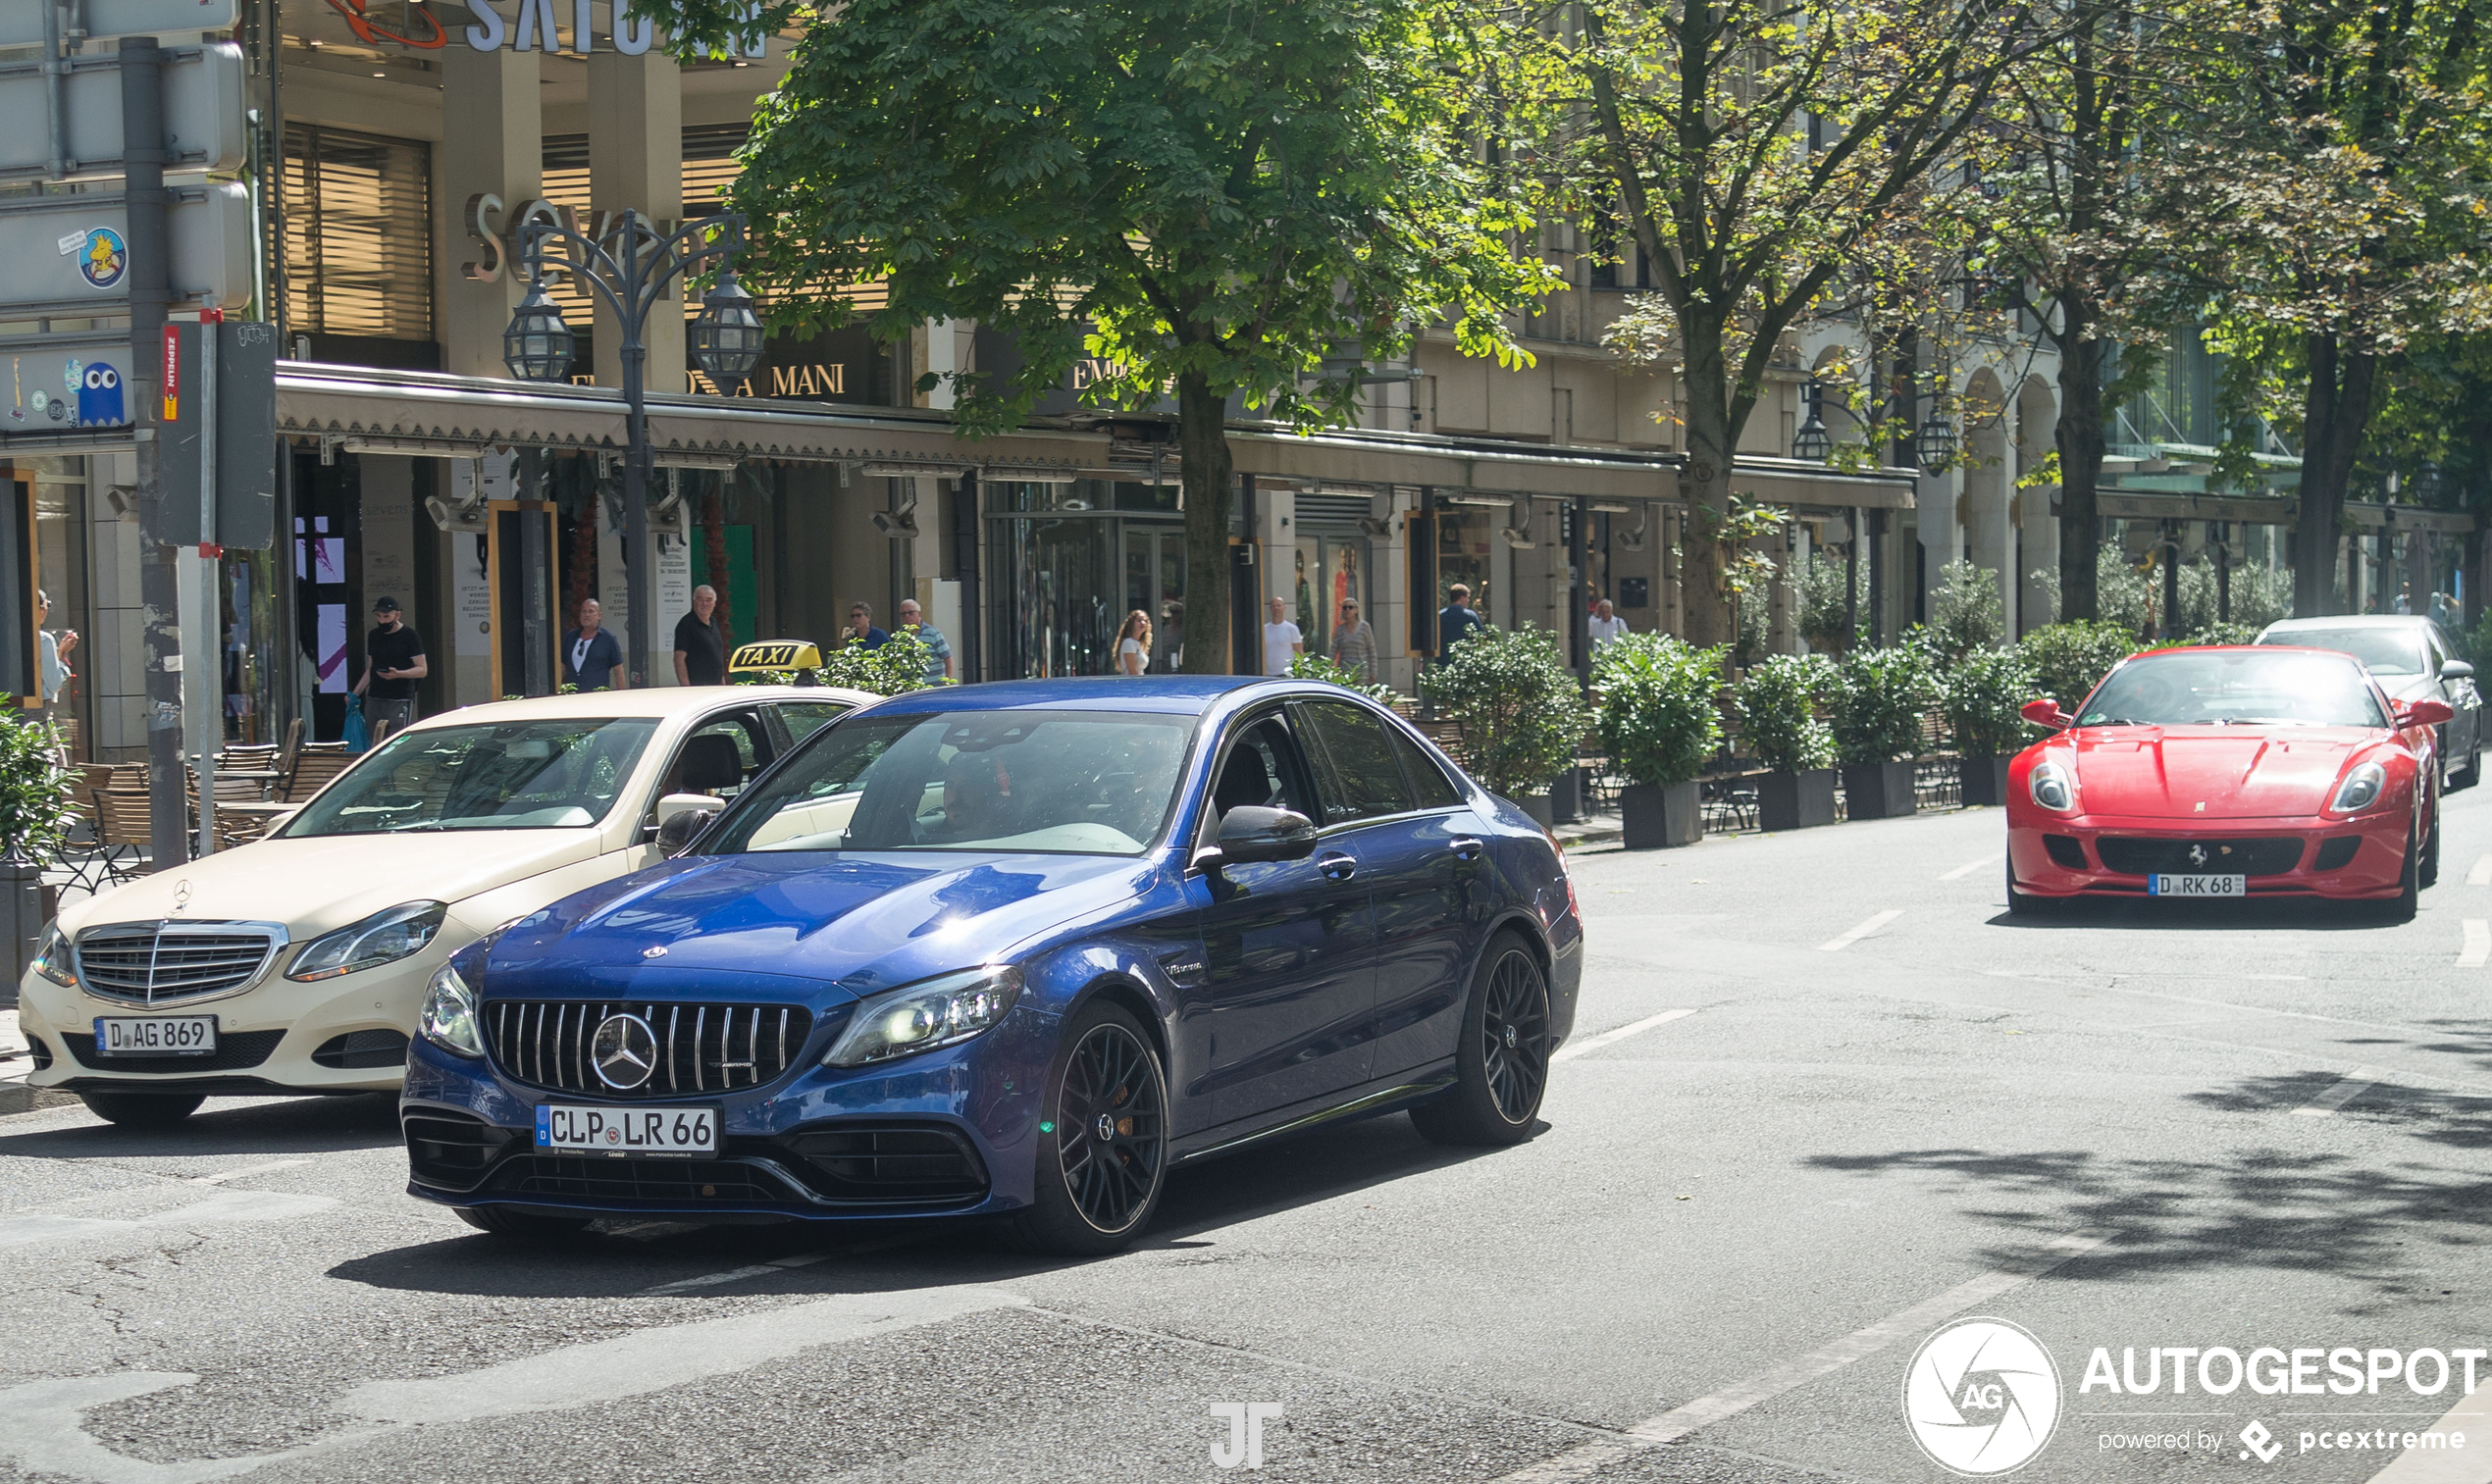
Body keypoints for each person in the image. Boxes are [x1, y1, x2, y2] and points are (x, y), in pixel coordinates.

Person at [352, 596, 427, 735]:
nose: (382, 621)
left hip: (399, 697)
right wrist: (355, 693)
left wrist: (399, 674)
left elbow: (422, 670)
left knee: (396, 737)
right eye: (379, 616)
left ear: (397, 615)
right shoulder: (374, 635)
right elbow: (370, 668)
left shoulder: (410, 636)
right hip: (375, 696)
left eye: (386, 616)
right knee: (373, 737)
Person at [562, 598, 626, 691]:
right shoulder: (570, 637)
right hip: (573, 696)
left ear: (599, 615)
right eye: (584, 611)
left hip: (597, 696)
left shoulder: (608, 639)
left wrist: (621, 695)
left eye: (591, 611)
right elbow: (562, 666)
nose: (586, 615)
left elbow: (618, 670)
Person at [673, 585, 728, 687]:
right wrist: (686, 688)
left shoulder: (714, 623)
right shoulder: (686, 624)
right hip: (697, 688)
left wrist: (722, 682)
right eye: (700, 599)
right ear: (694, 601)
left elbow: (717, 656)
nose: (704, 604)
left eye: (709, 600)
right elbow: (679, 659)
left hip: (715, 687)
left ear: (714, 603)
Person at [34, 589, 77, 710]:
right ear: (40, 610)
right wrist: (62, 654)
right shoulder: (43, 639)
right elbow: (54, 683)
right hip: (37, 711)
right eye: (48, 605)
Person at [897, 597, 953, 683]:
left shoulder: (933, 633)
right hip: (911, 689)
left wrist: (947, 681)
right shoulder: (900, 637)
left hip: (934, 688)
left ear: (919, 614)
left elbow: (948, 658)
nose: (907, 616)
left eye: (910, 613)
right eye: (903, 614)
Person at [1330, 598, 1376, 681]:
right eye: (1345, 607)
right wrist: (1328, 667)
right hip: (1344, 671)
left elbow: (1372, 651)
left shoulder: (1364, 627)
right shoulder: (1340, 629)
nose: (1348, 610)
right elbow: (1333, 650)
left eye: (1350, 607)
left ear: (1356, 610)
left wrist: (1373, 673)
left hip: (1361, 671)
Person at [1438, 583, 1486, 657]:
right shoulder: (1470, 616)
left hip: (1443, 658)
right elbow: (1480, 638)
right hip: (1465, 659)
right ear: (1462, 597)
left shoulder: (1440, 616)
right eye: (1468, 597)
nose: (1468, 600)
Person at [1262, 595, 1303, 677]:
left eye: (1279, 606)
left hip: (1286, 674)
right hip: (1267, 674)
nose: (1276, 608)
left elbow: (1299, 652)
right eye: (1273, 606)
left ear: (1284, 608)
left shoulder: (1292, 629)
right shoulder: (1264, 629)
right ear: (1270, 608)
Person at [1116, 609, 1152, 676]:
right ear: (1131, 624)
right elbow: (1132, 672)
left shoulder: (1139, 644)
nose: (1142, 623)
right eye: (1139, 620)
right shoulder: (1129, 643)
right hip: (1131, 684)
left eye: (1145, 621)